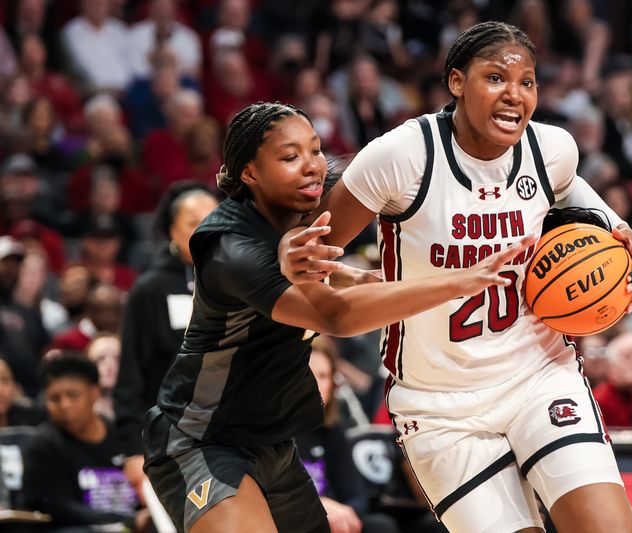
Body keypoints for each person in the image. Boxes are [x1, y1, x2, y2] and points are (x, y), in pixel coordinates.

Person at [280, 21, 632, 533]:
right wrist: (353, 285)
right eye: (496, 78)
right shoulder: (402, 156)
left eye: (527, 82)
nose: (514, 95)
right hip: (440, 407)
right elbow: (306, 263)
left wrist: (617, 238)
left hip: (538, 375)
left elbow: (569, 188)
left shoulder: (552, 150)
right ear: (456, 82)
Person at [141, 101, 534, 533]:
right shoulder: (228, 247)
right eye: (291, 158)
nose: (312, 166)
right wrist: (463, 281)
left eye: (315, 150)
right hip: (202, 440)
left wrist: (365, 279)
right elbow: (337, 318)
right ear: (249, 173)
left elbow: (337, 283)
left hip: (273, 443)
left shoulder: (299, 222)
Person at [114, 182, 219, 459]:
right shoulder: (150, 289)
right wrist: (132, 450)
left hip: (231, 429)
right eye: (194, 222)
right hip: (171, 434)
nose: (206, 229)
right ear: (172, 231)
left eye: (214, 219)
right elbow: (131, 372)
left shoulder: (239, 280)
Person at [21, 357, 147, 530]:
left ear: (95, 392)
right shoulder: (43, 446)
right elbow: (62, 509)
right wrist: (129, 521)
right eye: (55, 398)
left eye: (73, 395)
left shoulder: (123, 436)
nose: (64, 405)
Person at [297, 336, 401, 533]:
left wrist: (343, 515)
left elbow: (356, 496)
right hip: (295, 521)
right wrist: (320, 509)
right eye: (308, 375)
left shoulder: (332, 430)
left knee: (381, 526)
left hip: (334, 525)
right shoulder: (275, 435)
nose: (316, 385)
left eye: (323, 376)